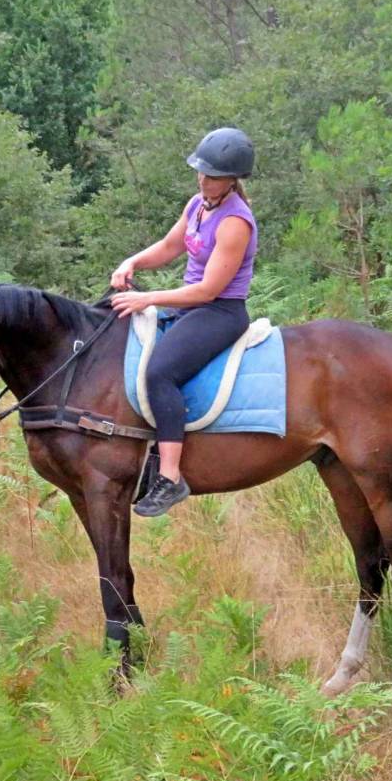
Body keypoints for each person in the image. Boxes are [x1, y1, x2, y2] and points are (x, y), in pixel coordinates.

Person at [109, 127, 258, 517]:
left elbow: (208, 291)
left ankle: (171, 477)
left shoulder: (234, 223)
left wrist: (148, 298)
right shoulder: (198, 205)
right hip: (189, 307)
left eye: (212, 175)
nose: (203, 179)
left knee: (160, 373)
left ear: (233, 180)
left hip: (219, 312)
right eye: (201, 172)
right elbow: (170, 247)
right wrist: (133, 262)